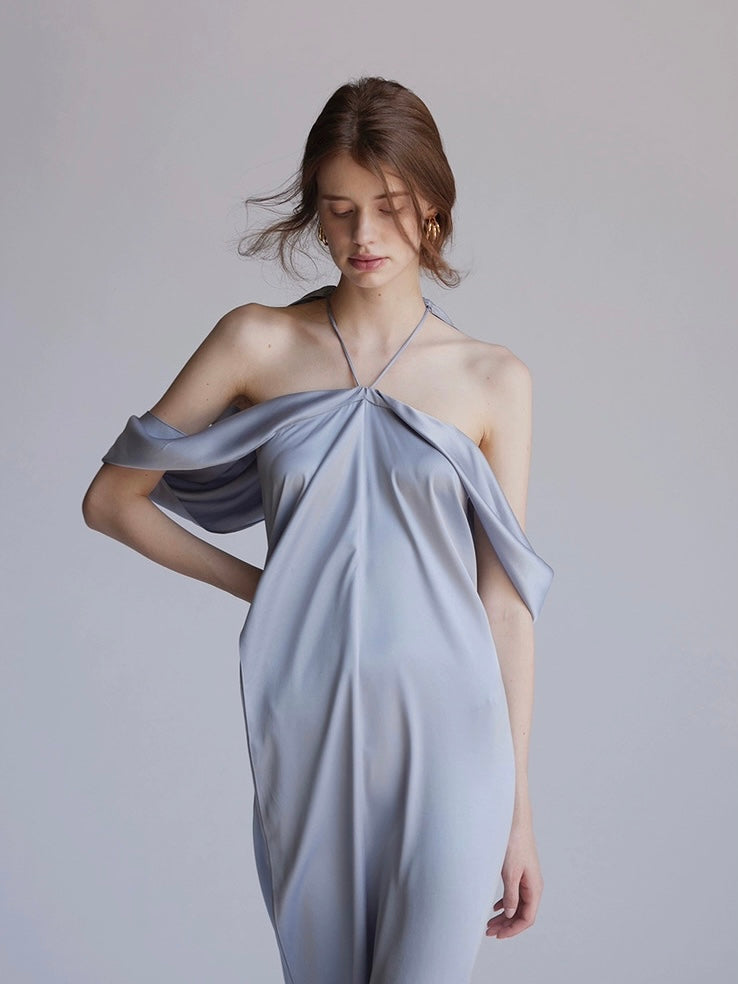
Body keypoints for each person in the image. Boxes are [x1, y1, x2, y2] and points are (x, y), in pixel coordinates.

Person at [82, 75, 554, 984]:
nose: (363, 235)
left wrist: (520, 810)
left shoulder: (494, 380)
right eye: (339, 211)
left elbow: (505, 603)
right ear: (315, 212)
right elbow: (113, 500)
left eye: (389, 207)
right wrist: (265, 586)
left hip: (456, 734)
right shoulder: (256, 342)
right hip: (307, 723)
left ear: (432, 208)